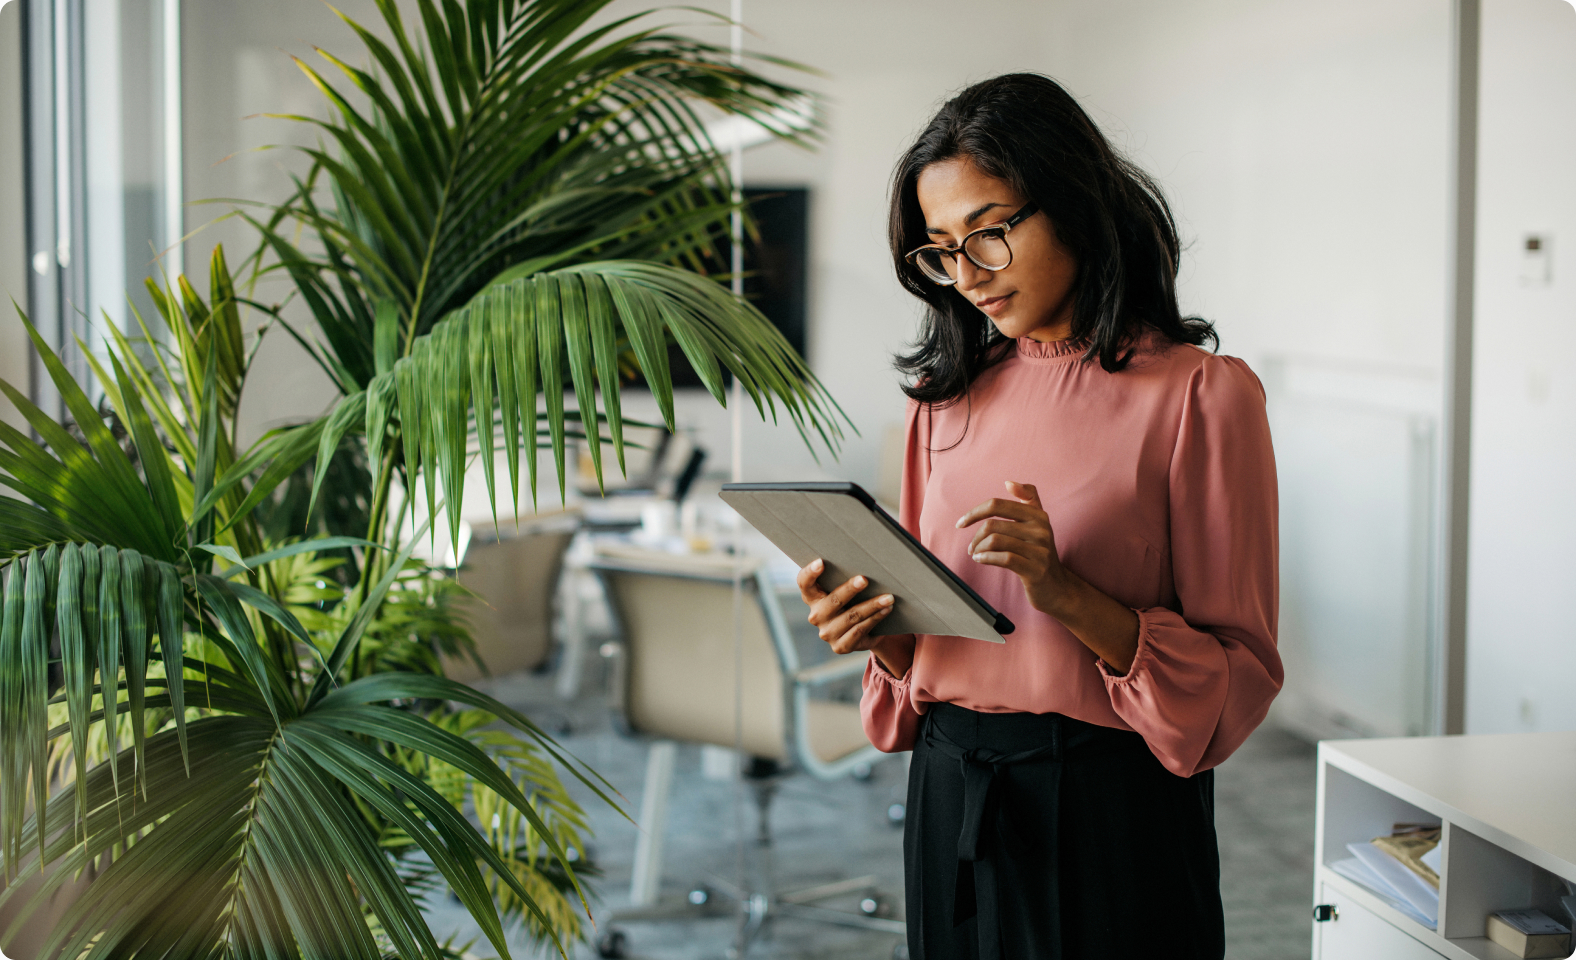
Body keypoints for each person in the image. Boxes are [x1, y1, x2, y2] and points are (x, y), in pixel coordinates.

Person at [795, 74, 1282, 960]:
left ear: (1073, 204)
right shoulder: (939, 404)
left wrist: (1063, 589)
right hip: (949, 788)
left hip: (1109, 808)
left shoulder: (1201, 397)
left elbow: (1237, 677)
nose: (967, 272)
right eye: (942, 249)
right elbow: (928, 666)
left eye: (989, 232)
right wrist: (878, 631)